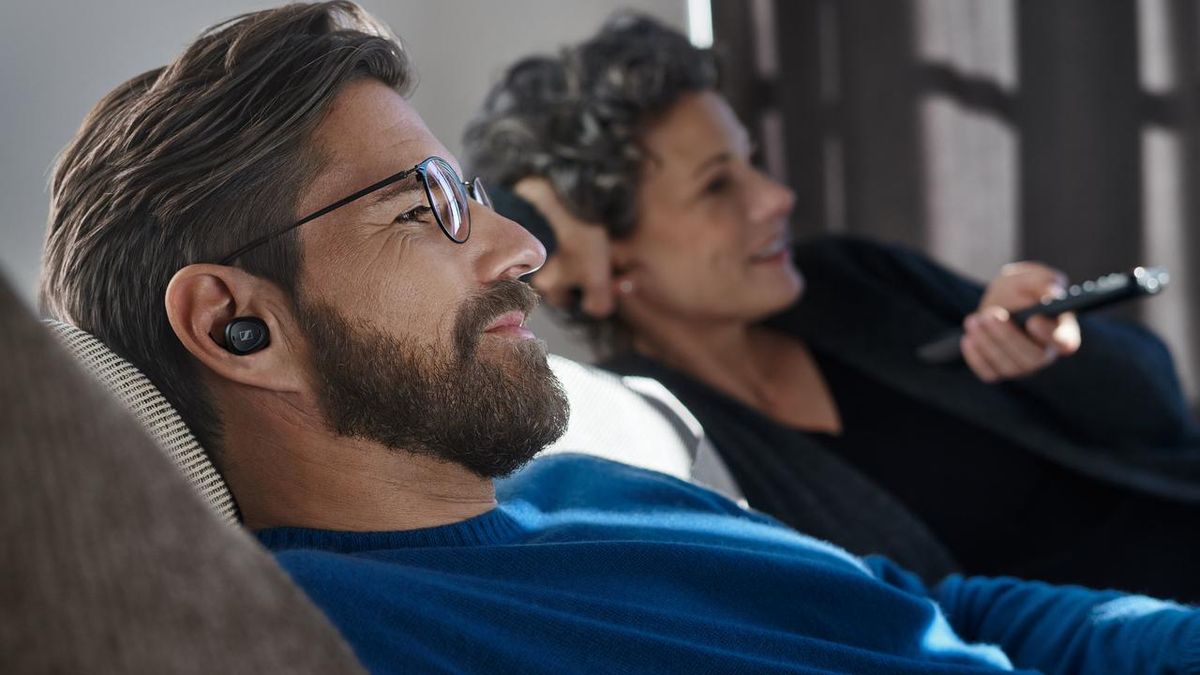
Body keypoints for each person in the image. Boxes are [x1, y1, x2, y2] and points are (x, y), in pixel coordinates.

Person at [39, 3, 1200, 673]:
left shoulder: (608, 486)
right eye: (423, 209)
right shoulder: (326, 635)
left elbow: (947, 613)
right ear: (236, 327)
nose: (521, 249)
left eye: (475, 193)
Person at [464, 14, 1200, 596]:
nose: (777, 198)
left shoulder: (851, 280)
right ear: (607, 253)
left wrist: (1057, 352)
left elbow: (1160, 410)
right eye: (718, 185)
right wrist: (544, 232)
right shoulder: (674, 446)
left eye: (749, 162)